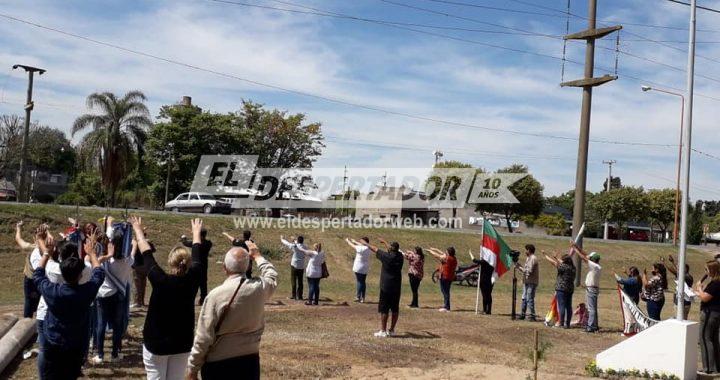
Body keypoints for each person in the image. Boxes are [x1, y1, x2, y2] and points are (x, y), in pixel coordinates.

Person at [186, 239, 278, 380]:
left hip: (219, 365)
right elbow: (271, 275)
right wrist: (258, 256)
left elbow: (203, 338)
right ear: (247, 267)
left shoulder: (215, 296)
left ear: (224, 268)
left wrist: (192, 368)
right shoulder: (259, 288)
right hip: (250, 361)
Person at [129, 217, 201, 380]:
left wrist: (138, 230)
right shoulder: (193, 280)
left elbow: (146, 254)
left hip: (157, 343)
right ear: (188, 263)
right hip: (182, 343)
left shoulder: (160, 280)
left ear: (170, 262)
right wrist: (196, 233)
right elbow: (197, 254)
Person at [34, 231, 105, 380]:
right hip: (76, 343)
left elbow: (38, 274)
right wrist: (92, 254)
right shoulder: (86, 292)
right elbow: (99, 273)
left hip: (53, 340)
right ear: (80, 275)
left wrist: (47, 253)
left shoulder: (52, 291)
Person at [92, 217, 134, 364]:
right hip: (119, 295)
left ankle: (100, 354)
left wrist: (109, 226)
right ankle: (115, 354)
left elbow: (96, 260)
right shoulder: (128, 261)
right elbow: (132, 246)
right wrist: (132, 237)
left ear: (112, 245)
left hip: (103, 294)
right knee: (117, 325)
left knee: (101, 324)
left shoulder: (104, 259)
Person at [360, 238, 403, 338]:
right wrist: (385, 242)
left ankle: (383, 330)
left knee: (384, 309)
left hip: (386, 287)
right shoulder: (400, 256)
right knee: (395, 309)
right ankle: (391, 330)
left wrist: (366, 244)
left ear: (391, 250)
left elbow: (375, 249)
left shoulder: (386, 257)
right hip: (396, 287)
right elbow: (391, 249)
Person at [571, 243, 602, 333]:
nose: (589, 257)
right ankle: (594, 325)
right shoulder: (596, 266)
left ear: (593, 260)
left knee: (591, 309)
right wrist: (577, 246)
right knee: (593, 308)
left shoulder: (595, 266)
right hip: (592, 288)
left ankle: (591, 327)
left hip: (591, 289)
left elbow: (584, 258)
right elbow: (586, 255)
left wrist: (575, 250)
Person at [696, 261, 720, 375]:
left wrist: (699, 288)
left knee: (705, 339)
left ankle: (709, 368)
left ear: (712, 270)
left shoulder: (716, 283)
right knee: (713, 340)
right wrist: (698, 292)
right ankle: (716, 367)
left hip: (710, 314)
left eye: (706, 269)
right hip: (715, 314)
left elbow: (705, 298)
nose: (705, 272)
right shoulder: (715, 282)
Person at [15, 221, 42, 318]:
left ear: (34, 238)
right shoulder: (50, 249)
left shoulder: (30, 247)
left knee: (29, 301)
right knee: (42, 302)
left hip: (30, 279)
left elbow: (18, 239)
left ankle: (26, 323)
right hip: (43, 279)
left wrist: (18, 228)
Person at [543, 251, 575, 329]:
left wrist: (546, 255)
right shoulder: (573, 268)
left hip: (561, 289)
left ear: (564, 261)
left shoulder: (563, 267)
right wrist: (556, 258)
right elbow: (561, 262)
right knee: (568, 307)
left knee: (561, 306)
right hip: (570, 289)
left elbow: (554, 263)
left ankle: (561, 324)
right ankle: (567, 324)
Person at [182, 228, 212, 305]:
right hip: (204, 265)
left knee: (192, 282)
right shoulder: (208, 243)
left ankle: (190, 299)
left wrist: (183, 238)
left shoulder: (196, 244)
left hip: (195, 266)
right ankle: (203, 299)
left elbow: (185, 243)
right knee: (203, 284)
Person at [428, 247, 457, 312]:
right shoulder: (453, 258)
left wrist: (430, 251)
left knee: (445, 291)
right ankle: (446, 305)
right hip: (449, 277)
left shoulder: (448, 258)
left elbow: (437, 256)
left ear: (448, 252)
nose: (445, 252)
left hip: (445, 277)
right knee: (446, 291)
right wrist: (434, 249)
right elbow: (442, 253)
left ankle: (447, 307)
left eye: (446, 251)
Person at [665, 255, 693, 320]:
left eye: (681, 268)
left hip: (683, 303)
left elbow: (674, 271)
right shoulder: (683, 276)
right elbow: (676, 271)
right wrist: (672, 262)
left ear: (685, 269)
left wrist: (665, 262)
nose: (679, 268)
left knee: (681, 321)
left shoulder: (687, 277)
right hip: (680, 302)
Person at [516, 244, 539, 321]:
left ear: (529, 250)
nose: (525, 251)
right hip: (527, 281)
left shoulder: (533, 258)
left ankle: (532, 316)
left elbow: (529, 271)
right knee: (524, 298)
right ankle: (522, 314)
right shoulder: (528, 258)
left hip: (531, 282)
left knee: (529, 298)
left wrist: (520, 268)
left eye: (526, 249)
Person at [345, 237, 371, 303]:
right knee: (363, 282)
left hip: (359, 267)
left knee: (359, 282)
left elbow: (353, 246)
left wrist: (348, 241)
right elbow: (362, 245)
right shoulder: (369, 248)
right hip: (365, 267)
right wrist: (355, 241)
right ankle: (363, 297)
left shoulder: (360, 248)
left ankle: (358, 296)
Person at [280, 235, 306, 300]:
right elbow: (299, 244)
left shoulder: (294, 246)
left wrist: (282, 239)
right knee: (300, 281)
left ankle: (294, 295)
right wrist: (294, 240)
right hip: (301, 266)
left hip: (294, 265)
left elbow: (287, 243)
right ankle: (300, 296)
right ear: (303, 241)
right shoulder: (305, 247)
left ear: (298, 240)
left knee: (293, 280)